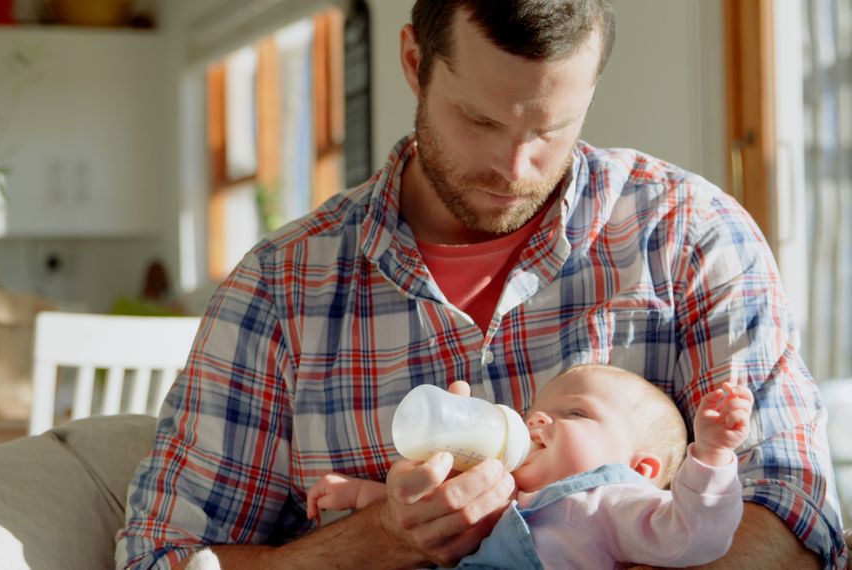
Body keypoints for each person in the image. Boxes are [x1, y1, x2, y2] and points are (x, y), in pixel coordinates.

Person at [118, 1, 847, 568]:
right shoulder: (280, 292)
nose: (515, 167)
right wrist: (379, 542)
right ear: (414, 60)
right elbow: (164, 559)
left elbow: (793, 520)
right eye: (478, 119)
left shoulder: (688, 236)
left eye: (551, 129)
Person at [306, 364, 752, 568]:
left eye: (574, 414)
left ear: (641, 470)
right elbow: (429, 513)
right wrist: (359, 494)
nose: (536, 419)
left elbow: (697, 537)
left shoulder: (611, 503)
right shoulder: (503, 496)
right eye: (536, 410)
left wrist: (711, 455)